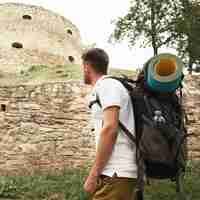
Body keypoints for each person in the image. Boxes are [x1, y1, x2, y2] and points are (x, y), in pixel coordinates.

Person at [81, 48, 137, 200]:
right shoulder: (110, 86)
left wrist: (93, 175)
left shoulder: (107, 85)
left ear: (87, 67)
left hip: (116, 172)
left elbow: (110, 129)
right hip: (115, 174)